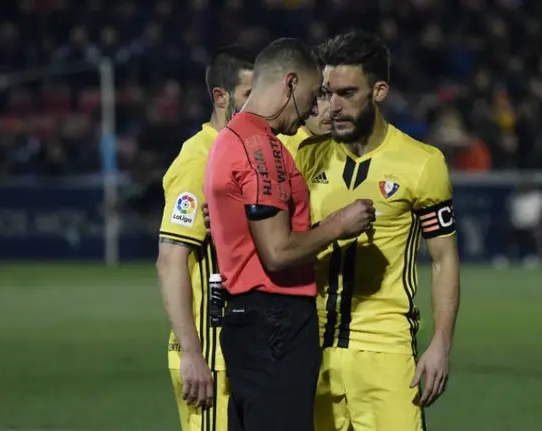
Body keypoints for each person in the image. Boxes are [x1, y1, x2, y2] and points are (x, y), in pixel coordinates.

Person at [203, 38, 376, 431]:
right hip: (276, 322)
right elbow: (277, 252)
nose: (315, 110)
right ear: (291, 83)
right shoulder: (261, 148)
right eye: (313, 96)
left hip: (251, 320)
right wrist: (338, 226)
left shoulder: (229, 139)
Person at [295, 30, 462, 431]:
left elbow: (443, 260)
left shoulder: (422, 164)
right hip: (311, 350)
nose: (332, 107)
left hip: (386, 351)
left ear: (379, 91)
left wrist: (440, 345)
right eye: (327, 93)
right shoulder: (304, 157)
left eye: (347, 93)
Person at [156, 44, 255, 431]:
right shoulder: (198, 160)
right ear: (221, 96)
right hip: (211, 351)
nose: (261, 104)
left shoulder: (249, 150)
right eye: (250, 95)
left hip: (244, 349)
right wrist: (192, 353)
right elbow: (170, 260)